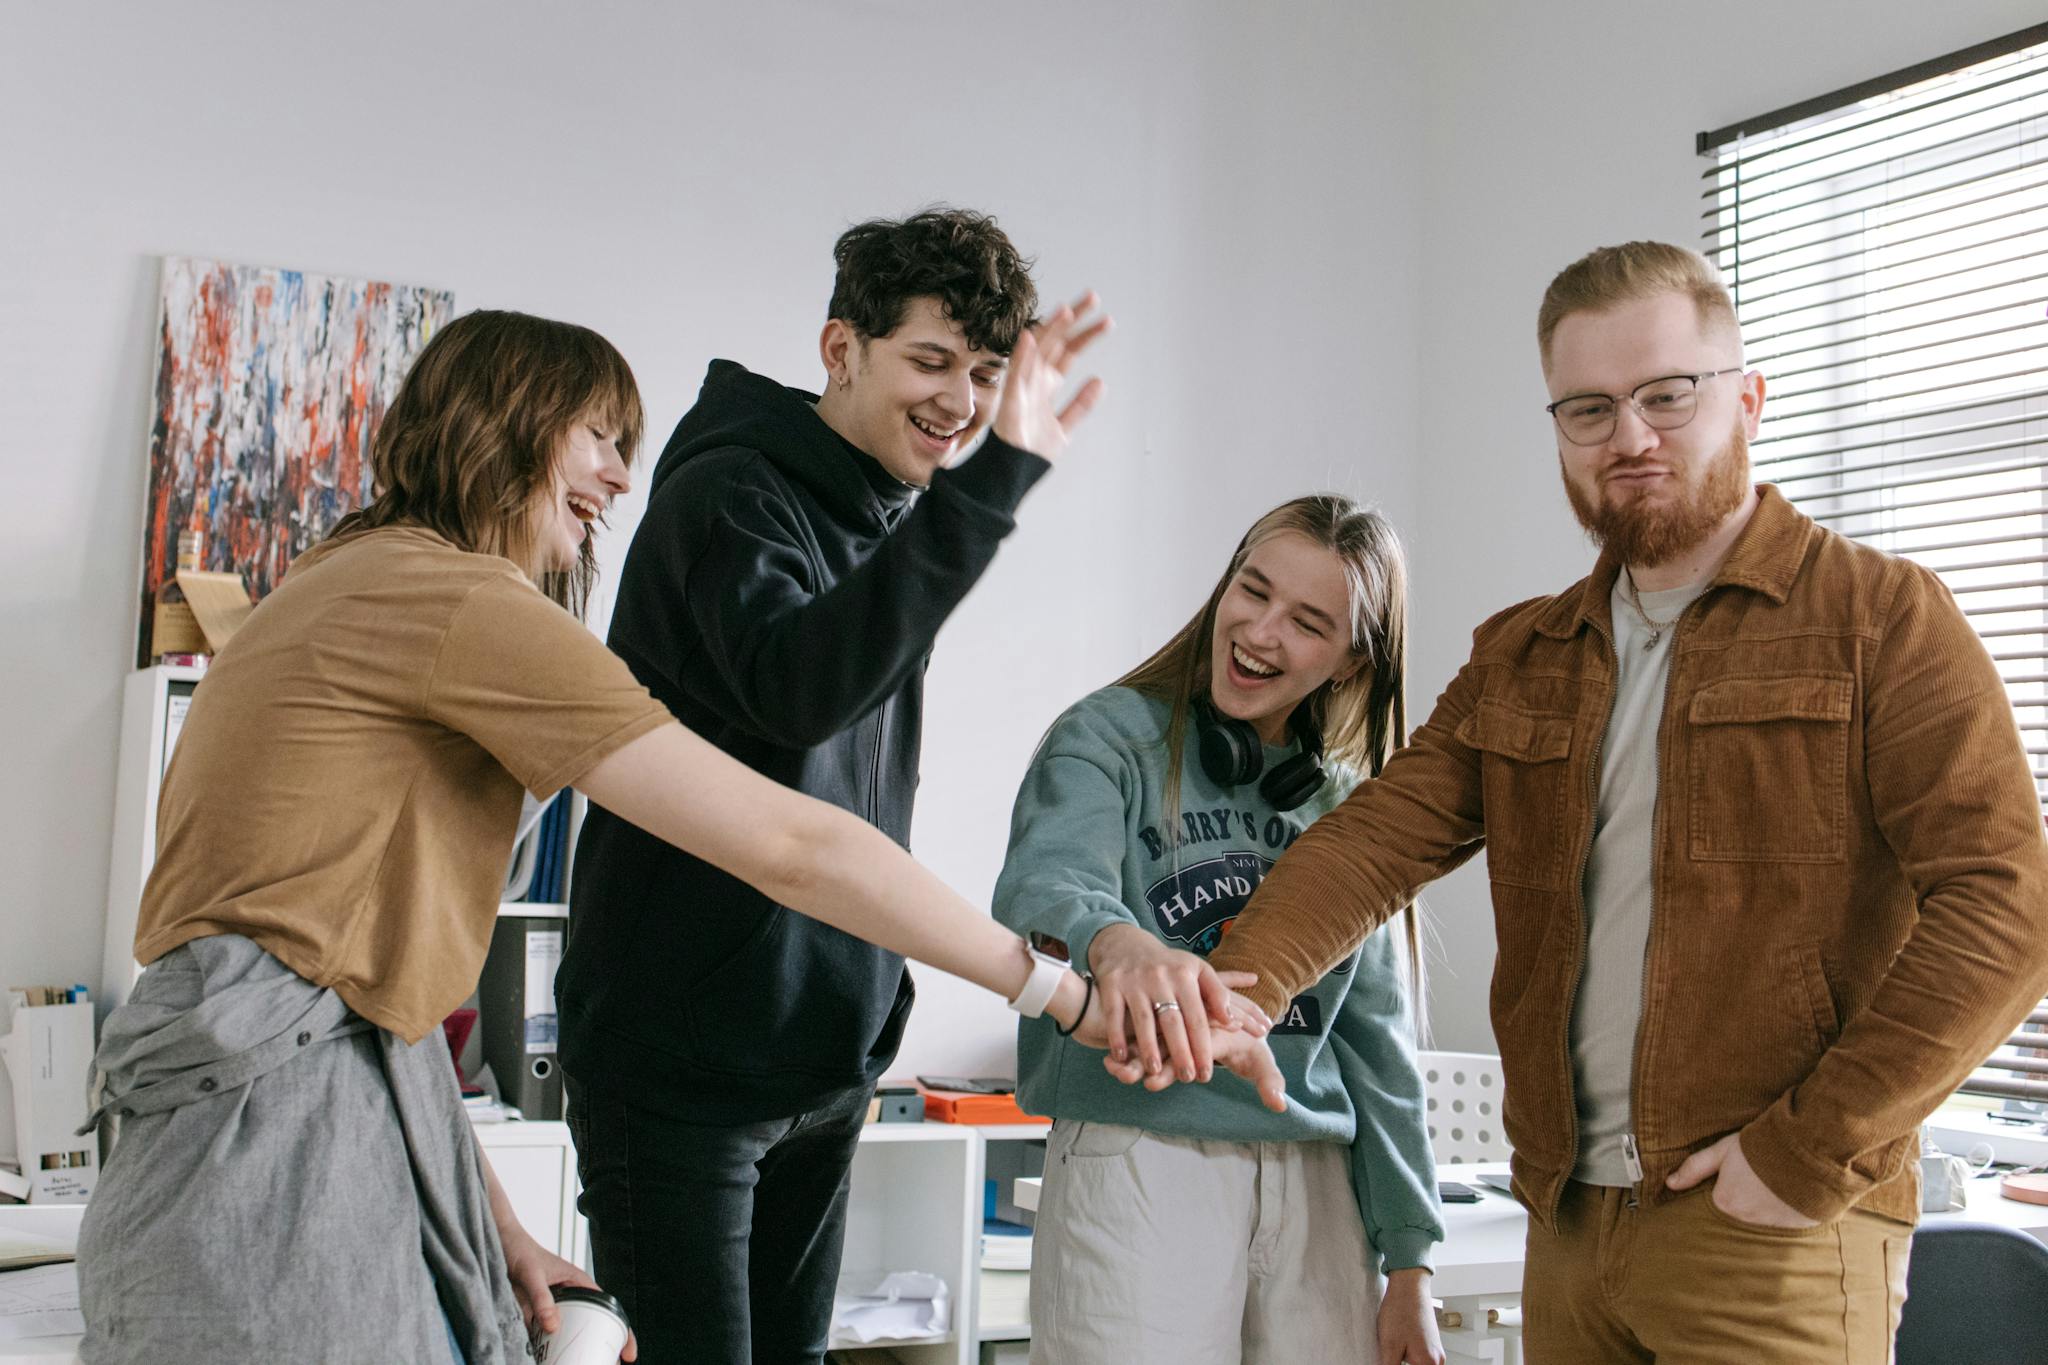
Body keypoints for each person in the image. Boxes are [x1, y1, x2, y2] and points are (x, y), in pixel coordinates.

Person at [75, 308, 1280, 1365]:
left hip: (266, 1091)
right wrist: (1060, 994)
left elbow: (356, 994)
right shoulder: (455, 600)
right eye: (596, 435)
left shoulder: (343, 578)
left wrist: (496, 1234)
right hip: (264, 1120)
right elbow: (792, 847)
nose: (613, 476)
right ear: (504, 417)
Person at [1204, 241, 2048, 1363]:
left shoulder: (1879, 616)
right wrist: (1235, 992)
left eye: (1666, 395)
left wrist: (1803, 1153)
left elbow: (2004, 905)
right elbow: (1373, 843)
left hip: (1770, 1228)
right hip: (1563, 1224)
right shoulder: (1524, 652)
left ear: (1745, 398)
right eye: (1588, 409)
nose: (1630, 438)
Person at [556, 208, 1136, 1364]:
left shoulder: (884, 510)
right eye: (929, 361)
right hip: (680, 1069)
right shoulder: (728, 497)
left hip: (824, 1059)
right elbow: (797, 693)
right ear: (840, 350)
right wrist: (999, 481)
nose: (961, 403)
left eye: (981, 374)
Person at [993, 495, 1446, 1365]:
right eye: (1253, 589)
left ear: (1353, 662)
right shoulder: (1109, 736)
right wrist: (1117, 943)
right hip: (1143, 1157)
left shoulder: (1348, 805)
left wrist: (1411, 1263)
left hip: (1317, 1181)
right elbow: (1047, 881)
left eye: (1308, 622)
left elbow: (1378, 1050)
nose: (1261, 631)